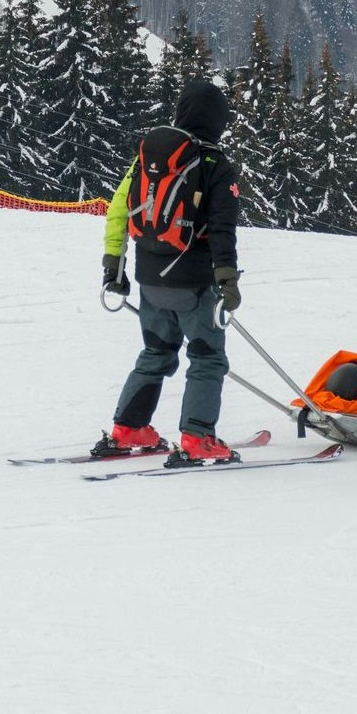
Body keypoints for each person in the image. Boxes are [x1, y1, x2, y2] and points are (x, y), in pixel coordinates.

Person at [97, 76, 245, 466]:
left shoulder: (149, 157)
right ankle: (198, 437)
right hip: (194, 282)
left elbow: (117, 211)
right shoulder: (216, 165)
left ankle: (129, 428)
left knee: (156, 351)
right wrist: (227, 279)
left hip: (148, 278)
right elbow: (222, 228)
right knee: (207, 356)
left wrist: (114, 266)